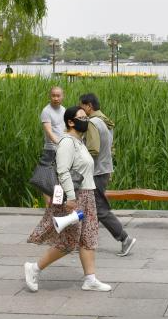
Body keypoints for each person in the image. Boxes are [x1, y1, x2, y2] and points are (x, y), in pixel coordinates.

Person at [23, 106, 111, 293]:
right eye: (81, 118)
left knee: (88, 237)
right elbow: (62, 171)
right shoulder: (67, 143)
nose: (86, 121)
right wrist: (71, 198)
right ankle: (34, 268)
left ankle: (90, 279)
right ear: (70, 122)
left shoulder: (79, 142)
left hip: (86, 195)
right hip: (74, 196)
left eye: (86, 118)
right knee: (69, 241)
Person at [79, 93, 135, 257]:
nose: (80, 110)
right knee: (91, 207)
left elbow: (93, 149)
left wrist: (78, 157)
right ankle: (86, 240)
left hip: (96, 172)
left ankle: (124, 238)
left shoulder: (92, 123)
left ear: (89, 106)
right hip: (104, 169)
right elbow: (110, 148)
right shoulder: (105, 121)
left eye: (82, 106)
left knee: (100, 209)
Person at [29, 86, 66, 205]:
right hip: (51, 149)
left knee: (61, 177)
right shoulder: (46, 111)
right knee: (47, 177)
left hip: (63, 149)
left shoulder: (64, 110)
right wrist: (59, 143)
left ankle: (57, 205)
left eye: (58, 96)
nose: (55, 98)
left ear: (63, 96)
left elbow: (66, 129)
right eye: (53, 95)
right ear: (50, 96)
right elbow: (49, 131)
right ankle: (48, 206)